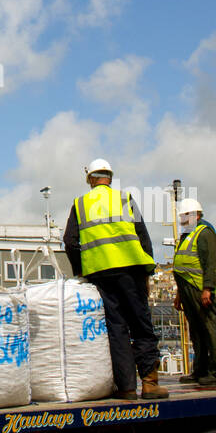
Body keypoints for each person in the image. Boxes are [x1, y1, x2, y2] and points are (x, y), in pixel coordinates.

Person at [64, 158, 168, 400]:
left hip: (101, 274)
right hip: (132, 270)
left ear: (90, 178)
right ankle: (150, 384)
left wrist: (80, 269)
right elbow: (143, 236)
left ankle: (127, 388)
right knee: (141, 325)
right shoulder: (124, 198)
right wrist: (148, 271)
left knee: (117, 329)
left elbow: (70, 241)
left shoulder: (79, 204)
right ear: (109, 177)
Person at [172, 199, 216, 390]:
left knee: (210, 330)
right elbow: (182, 265)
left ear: (195, 215)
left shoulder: (205, 233)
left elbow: (210, 262)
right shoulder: (187, 234)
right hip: (187, 289)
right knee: (197, 332)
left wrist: (208, 289)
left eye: (184, 216)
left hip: (199, 289)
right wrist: (179, 294)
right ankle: (200, 371)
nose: (181, 219)